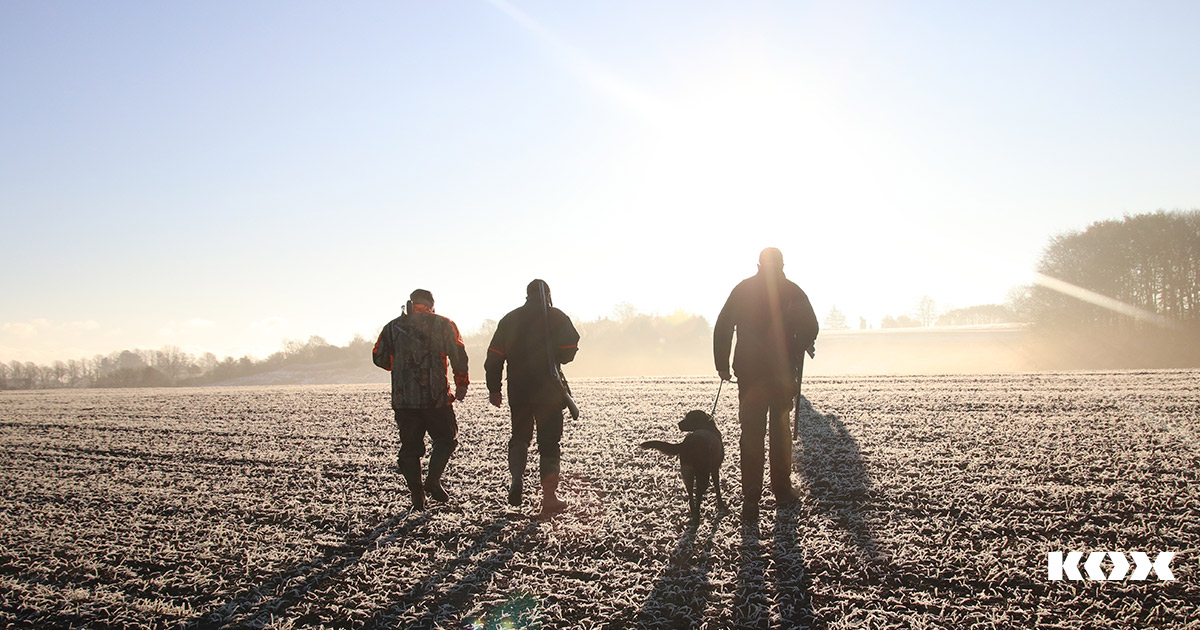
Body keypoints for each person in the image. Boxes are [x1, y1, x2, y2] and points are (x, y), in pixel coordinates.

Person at [714, 247, 819, 520]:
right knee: (781, 431)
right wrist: (797, 346)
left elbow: (723, 326)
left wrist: (722, 364)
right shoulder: (792, 291)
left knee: (751, 434)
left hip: (749, 373)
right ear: (782, 264)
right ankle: (782, 491)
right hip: (782, 372)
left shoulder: (743, 290)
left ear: (759, 265)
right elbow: (811, 326)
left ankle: (751, 497)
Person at [485, 279, 580, 518]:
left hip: (518, 391)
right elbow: (570, 347)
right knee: (549, 445)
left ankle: (517, 480)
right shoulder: (556, 316)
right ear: (548, 294)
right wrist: (556, 353)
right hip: (548, 391)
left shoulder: (510, 319)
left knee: (520, 437)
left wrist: (494, 388)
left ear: (527, 295)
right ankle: (549, 498)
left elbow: (494, 357)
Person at [372, 289, 469, 511]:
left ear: (411, 303)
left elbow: (378, 357)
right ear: (432, 304)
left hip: (404, 400)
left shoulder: (392, 327)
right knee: (446, 439)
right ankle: (433, 481)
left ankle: (416, 493)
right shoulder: (444, 324)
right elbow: (458, 353)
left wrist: (399, 365)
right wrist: (461, 382)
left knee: (410, 448)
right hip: (437, 398)